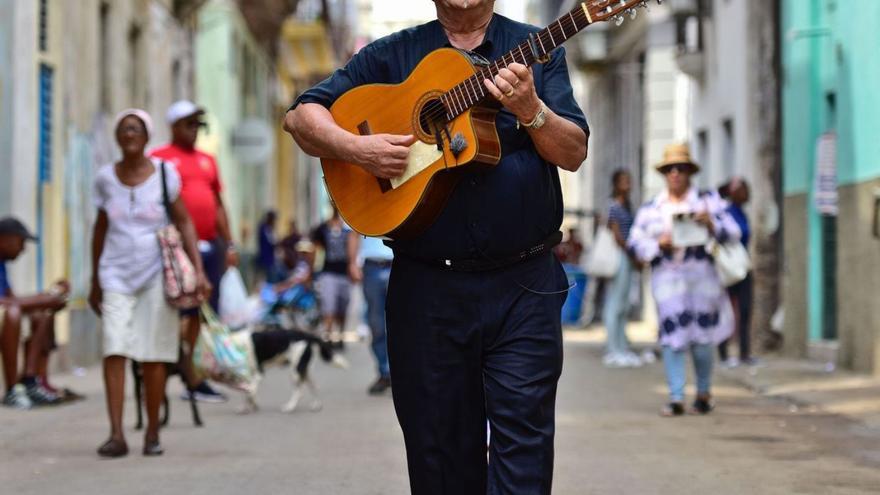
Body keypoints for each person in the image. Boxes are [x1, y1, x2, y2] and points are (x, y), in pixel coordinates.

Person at [284, 1, 588, 492]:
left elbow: (573, 152)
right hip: (427, 289)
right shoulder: (391, 55)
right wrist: (356, 149)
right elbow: (300, 118)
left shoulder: (537, 48)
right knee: (438, 457)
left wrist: (532, 111)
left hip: (524, 287)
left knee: (525, 452)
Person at [90, 109, 209, 457]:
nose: (129, 134)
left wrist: (198, 270)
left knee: (154, 354)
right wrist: (94, 277)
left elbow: (185, 223)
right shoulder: (104, 179)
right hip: (114, 273)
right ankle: (116, 434)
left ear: (145, 137)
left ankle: (152, 433)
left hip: (158, 273)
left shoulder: (164, 174)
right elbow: (100, 229)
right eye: (124, 129)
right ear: (117, 136)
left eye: (136, 129)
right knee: (114, 348)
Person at [628, 144, 739, 417]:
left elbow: (734, 232)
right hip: (667, 279)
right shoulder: (652, 208)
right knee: (671, 336)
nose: (675, 174)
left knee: (702, 338)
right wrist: (657, 244)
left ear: (690, 172)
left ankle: (703, 393)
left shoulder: (706, 201)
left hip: (702, 279)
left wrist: (711, 224)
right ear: (664, 174)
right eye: (670, 169)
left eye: (681, 168)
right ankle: (676, 396)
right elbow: (634, 241)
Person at [150, 100, 234, 403]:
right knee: (177, 311)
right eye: (188, 124)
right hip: (175, 252)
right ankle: (174, 369)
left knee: (203, 311)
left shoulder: (207, 160)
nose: (194, 130)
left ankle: (195, 377)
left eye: (198, 124)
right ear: (174, 127)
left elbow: (219, 203)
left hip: (210, 247)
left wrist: (230, 242)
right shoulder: (159, 159)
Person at [0, 217, 70, 409]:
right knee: (13, 313)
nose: (23, 249)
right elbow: (8, 304)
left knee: (41, 313)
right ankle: (12, 390)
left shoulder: (2, 265)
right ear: (4, 239)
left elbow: (12, 298)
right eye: (21, 242)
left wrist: (47, 298)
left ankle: (31, 380)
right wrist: (43, 298)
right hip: (6, 316)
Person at [602, 169, 642, 368]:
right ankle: (613, 349)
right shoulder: (614, 207)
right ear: (616, 183)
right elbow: (617, 236)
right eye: (624, 180)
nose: (628, 183)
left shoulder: (626, 206)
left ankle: (621, 347)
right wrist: (632, 254)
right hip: (621, 258)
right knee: (615, 304)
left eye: (629, 180)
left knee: (623, 304)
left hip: (627, 258)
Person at [347, 232, 392, 395]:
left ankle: (400, 374)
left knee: (401, 323)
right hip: (371, 267)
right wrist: (352, 263)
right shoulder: (364, 206)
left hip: (397, 263)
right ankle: (384, 372)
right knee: (376, 324)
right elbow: (353, 233)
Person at [718, 177, 755, 367]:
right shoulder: (725, 213)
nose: (747, 193)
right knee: (725, 309)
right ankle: (723, 353)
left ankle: (744, 353)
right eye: (743, 189)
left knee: (745, 309)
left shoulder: (742, 213)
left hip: (743, 266)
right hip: (728, 267)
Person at [310, 208, 352, 348]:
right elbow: (316, 249)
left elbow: (353, 248)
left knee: (342, 306)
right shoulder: (322, 228)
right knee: (329, 304)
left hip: (344, 273)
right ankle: (327, 338)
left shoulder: (348, 227)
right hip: (327, 272)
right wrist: (311, 271)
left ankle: (340, 334)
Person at [256, 210, 279, 283]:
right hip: (266, 258)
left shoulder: (270, 229)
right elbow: (271, 242)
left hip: (270, 258)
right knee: (265, 279)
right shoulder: (264, 228)